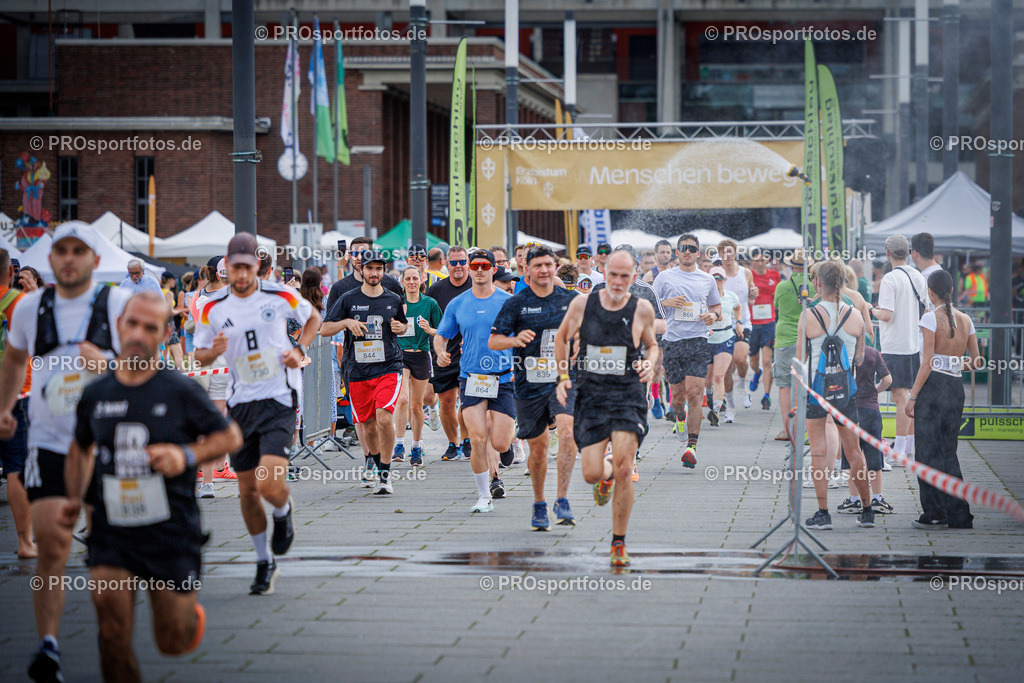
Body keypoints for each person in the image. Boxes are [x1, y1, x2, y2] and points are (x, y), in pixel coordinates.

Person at [59, 291, 243, 682]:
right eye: (132, 324)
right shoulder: (96, 393)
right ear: (118, 326)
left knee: (172, 640)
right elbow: (79, 447)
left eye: (150, 327)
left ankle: (188, 615)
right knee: (111, 633)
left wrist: (185, 456)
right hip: (111, 529)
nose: (138, 334)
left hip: (169, 529)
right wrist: (72, 501)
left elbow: (230, 438)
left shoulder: (180, 390)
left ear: (163, 335)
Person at [0, 223, 131, 682]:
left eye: (80, 250)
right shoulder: (28, 307)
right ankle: (49, 647)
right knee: (52, 545)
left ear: (95, 260)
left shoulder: (116, 304)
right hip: (49, 441)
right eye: (61, 251)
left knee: (106, 551)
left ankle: (112, 637)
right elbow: (15, 358)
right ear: (50, 259)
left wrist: (112, 364)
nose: (70, 258)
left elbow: (150, 362)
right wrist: (4, 406)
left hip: (109, 444)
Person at [193, 233, 320, 595]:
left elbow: (313, 318)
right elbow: (199, 354)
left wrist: (299, 347)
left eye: (249, 267)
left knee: (268, 483)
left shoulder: (279, 294)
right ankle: (264, 560)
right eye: (236, 268)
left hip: (279, 398)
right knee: (247, 491)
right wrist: (212, 351)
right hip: (239, 404)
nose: (242, 274)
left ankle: (282, 512)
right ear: (227, 268)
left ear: (258, 267)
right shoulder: (211, 306)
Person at [554, 250, 659, 567]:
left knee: (627, 469)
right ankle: (606, 474)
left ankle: (618, 542)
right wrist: (561, 376)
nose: (617, 281)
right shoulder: (582, 304)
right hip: (592, 394)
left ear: (633, 277)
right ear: (604, 271)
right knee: (590, 473)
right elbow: (561, 338)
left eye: (624, 276)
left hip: (628, 393)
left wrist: (651, 365)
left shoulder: (641, 308)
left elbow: (652, 345)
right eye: (612, 274)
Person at [490, 245, 578, 529]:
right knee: (538, 449)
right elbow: (494, 341)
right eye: (537, 265)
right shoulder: (516, 303)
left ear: (556, 267)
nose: (544, 270)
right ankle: (540, 502)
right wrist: (514, 341)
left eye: (548, 265)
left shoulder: (571, 300)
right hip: (529, 384)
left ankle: (562, 499)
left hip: (563, 380)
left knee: (567, 432)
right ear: (526, 270)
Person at [434, 250, 514, 512]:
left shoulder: (508, 301)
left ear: (493, 269)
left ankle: (509, 441)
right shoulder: (458, 303)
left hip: (503, 378)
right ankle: (483, 496)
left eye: (485, 265)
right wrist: (440, 352)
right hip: (471, 378)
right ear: (469, 269)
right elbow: (442, 335)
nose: (479, 270)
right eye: (475, 265)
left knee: (500, 442)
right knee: (478, 439)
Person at [797, 260, 874, 531]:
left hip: (816, 390)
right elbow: (861, 356)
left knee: (818, 451)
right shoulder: (855, 316)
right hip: (845, 390)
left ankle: (823, 513)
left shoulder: (808, 315)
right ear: (843, 283)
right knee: (853, 452)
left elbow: (800, 358)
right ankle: (867, 511)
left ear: (817, 283)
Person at [322, 250, 407, 493]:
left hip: (389, 366)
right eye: (370, 268)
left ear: (384, 271)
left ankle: (385, 473)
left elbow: (402, 326)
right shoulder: (348, 298)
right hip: (357, 370)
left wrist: (401, 328)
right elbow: (325, 329)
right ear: (361, 270)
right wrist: (347, 323)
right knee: (368, 425)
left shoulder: (392, 298)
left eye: (379, 269)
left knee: (383, 416)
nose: (374, 273)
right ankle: (372, 459)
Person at [907, 270, 980, 529]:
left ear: (930, 291)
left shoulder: (930, 318)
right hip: (955, 386)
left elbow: (926, 363)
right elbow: (977, 360)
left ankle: (935, 513)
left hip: (933, 387)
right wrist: (954, 362)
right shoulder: (965, 319)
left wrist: (912, 397)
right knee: (949, 452)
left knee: (926, 452)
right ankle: (959, 513)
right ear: (951, 290)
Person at [653, 233, 721, 467]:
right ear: (677, 252)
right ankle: (679, 417)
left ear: (698, 253)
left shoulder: (707, 279)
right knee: (678, 397)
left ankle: (691, 447)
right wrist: (666, 303)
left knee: (695, 392)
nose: (688, 252)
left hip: (698, 339)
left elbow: (716, 305)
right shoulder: (664, 277)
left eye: (692, 248)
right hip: (672, 341)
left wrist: (713, 315)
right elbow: (648, 304)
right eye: (684, 248)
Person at [869, 234, 927, 465]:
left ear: (888, 253)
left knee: (900, 396)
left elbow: (886, 314)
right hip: (913, 342)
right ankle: (908, 447)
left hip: (895, 343)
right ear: (909, 252)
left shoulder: (890, 279)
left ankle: (900, 449)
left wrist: (870, 309)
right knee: (910, 395)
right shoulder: (917, 276)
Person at [0, 248, 36, 559]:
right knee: (15, 469)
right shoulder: (19, 303)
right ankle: (25, 542)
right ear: (11, 273)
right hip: (15, 394)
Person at [189, 261, 234, 498]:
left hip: (201, 359)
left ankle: (207, 480)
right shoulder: (229, 298)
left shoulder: (198, 295)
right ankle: (214, 475)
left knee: (205, 421)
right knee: (218, 420)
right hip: (220, 361)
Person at [426, 245, 472, 460]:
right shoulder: (436, 290)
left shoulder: (476, 285)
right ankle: (453, 444)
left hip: (470, 354)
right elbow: (428, 321)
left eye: (462, 262)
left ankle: (468, 438)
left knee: (468, 400)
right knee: (445, 401)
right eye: (453, 262)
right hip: (444, 353)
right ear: (446, 263)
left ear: (468, 263)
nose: (458, 266)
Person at [393, 267, 441, 467]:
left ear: (421, 279)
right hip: (400, 355)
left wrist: (429, 329)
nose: (411, 282)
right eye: (408, 279)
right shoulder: (397, 302)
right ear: (402, 281)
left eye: (415, 278)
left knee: (416, 405)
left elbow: (442, 330)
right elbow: (388, 328)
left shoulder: (429, 303)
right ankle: (399, 444)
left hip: (421, 354)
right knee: (402, 399)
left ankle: (416, 446)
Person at [836, 345, 893, 515]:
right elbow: (888, 380)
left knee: (851, 455)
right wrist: (875, 391)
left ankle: (854, 500)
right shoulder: (872, 353)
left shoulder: (841, 351)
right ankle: (877, 498)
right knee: (874, 455)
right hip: (870, 408)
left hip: (848, 410)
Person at [773, 250, 815, 441]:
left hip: (785, 338)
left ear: (791, 266)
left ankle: (787, 429)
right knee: (806, 384)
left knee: (784, 385)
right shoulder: (815, 286)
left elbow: (778, 307)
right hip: (809, 338)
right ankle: (807, 428)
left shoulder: (782, 286)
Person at [718, 239, 755, 411]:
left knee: (740, 359)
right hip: (723, 325)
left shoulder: (745, 273)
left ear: (735, 253)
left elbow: (751, 300)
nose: (727, 256)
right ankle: (730, 404)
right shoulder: (716, 274)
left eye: (730, 252)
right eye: (723, 253)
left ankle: (742, 385)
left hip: (743, 322)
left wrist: (753, 295)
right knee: (726, 369)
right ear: (719, 255)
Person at [705, 267, 743, 425]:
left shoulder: (731, 296)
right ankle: (709, 393)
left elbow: (738, 307)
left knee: (719, 376)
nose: (717, 281)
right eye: (714, 278)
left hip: (726, 337)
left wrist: (739, 322)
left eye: (720, 278)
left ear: (724, 280)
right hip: (707, 339)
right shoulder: (704, 297)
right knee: (708, 380)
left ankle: (715, 410)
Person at [746, 247, 780, 410]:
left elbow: (778, 296)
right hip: (752, 323)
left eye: (763, 260)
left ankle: (766, 396)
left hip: (768, 322)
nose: (760, 263)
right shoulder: (748, 275)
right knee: (753, 361)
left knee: (767, 361)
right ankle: (756, 372)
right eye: (757, 260)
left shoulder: (775, 275)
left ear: (767, 260)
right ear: (752, 261)